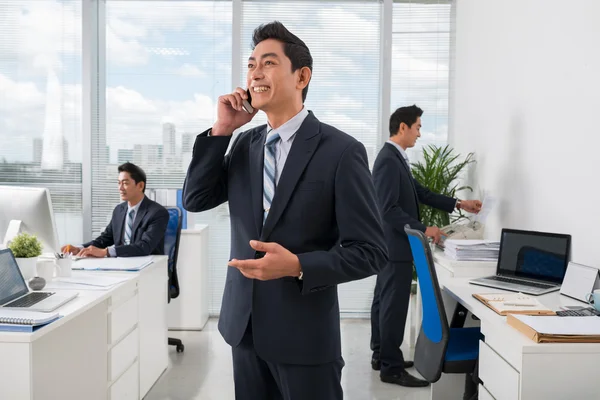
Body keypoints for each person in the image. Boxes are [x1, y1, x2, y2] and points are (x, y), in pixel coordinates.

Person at [182, 21, 387, 400]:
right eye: (250, 64)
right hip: (243, 330)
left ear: (302, 76)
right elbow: (195, 200)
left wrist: (297, 266)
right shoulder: (244, 145)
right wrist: (222, 130)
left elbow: (371, 252)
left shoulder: (341, 151)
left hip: (304, 338)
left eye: (269, 62)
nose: (255, 72)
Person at [370, 105, 482, 387]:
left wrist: (460, 204)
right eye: (418, 127)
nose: (420, 133)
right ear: (403, 127)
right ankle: (390, 368)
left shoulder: (396, 158)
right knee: (392, 306)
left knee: (384, 301)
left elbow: (420, 193)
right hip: (393, 246)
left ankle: (381, 355)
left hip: (390, 246)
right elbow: (388, 210)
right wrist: (424, 228)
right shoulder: (387, 160)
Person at [61, 162, 169, 258]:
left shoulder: (157, 213)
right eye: (119, 183)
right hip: (119, 264)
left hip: (147, 267)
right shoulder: (119, 210)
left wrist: (106, 252)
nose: (120, 188)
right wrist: (80, 249)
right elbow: (106, 238)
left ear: (140, 186)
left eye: (125, 183)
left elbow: (144, 246)